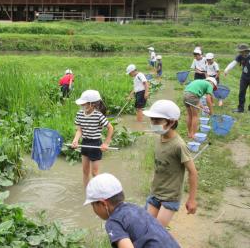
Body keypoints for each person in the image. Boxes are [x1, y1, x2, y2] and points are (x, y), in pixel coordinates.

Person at [84, 173, 180, 248]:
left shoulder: (113, 222)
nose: (93, 210)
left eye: (93, 204)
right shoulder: (134, 208)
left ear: (103, 204)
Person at [143, 100, 198, 228]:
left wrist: (191, 199)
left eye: (157, 121)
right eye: (152, 120)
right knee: (145, 227)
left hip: (170, 197)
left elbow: (193, 172)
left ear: (171, 122)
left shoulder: (179, 145)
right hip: (155, 193)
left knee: (156, 231)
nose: (153, 124)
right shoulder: (160, 137)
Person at [72, 90, 114, 187]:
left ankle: (97, 191)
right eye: (82, 104)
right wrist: (75, 140)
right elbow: (79, 130)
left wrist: (106, 143)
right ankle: (87, 191)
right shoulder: (79, 114)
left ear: (92, 104)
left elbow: (110, 128)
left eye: (84, 104)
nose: (82, 106)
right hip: (85, 143)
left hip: (96, 144)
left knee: (94, 173)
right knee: (85, 171)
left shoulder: (98, 115)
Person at [224, 43, 250, 113]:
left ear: (246, 51)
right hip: (244, 77)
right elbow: (233, 63)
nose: (240, 52)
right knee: (241, 92)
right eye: (240, 51)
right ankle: (240, 109)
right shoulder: (240, 56)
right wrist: (226, 69)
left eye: (241, 51)